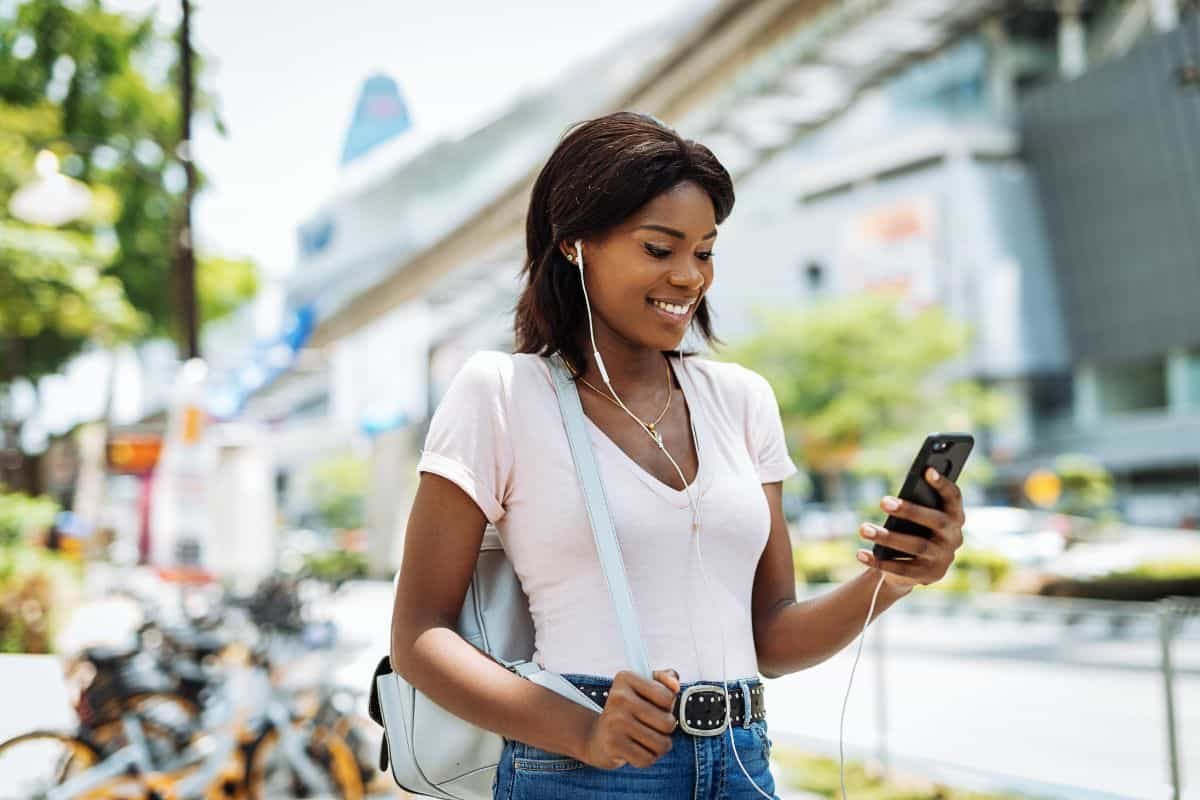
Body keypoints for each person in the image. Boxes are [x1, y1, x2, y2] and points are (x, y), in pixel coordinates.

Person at [389, 111, 967, 799]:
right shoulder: (502, 393)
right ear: (575, 245)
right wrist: (580, 730)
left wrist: (893, 579)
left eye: (706, 250)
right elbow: (418, 635)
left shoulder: (743, 400)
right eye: (660, 249)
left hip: (743, 761)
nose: (690, 277)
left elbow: (772, 639)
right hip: (586, 767)